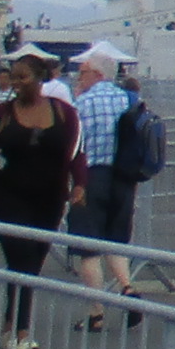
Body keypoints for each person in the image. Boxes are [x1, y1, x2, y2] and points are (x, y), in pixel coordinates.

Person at [0, 53, 77, 349]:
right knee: (21, 258)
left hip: (49, 196)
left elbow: (75, 153)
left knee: (32, 262)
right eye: (13, 77)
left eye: (22, 77)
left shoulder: (63, 112)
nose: (15, 83)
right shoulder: (0, 113)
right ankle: (21, 332)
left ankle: (10, 324)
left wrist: (80, 185)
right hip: (8, 195)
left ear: (39, 78)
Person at [65, 48, 144, 317]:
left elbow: (72, 144)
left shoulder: (82, 104)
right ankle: (127, 287)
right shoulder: (129, 100)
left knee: (89, 248)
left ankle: (96, 311)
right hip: (123, 177)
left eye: (83, 72)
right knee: (116, 239)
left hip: (90, 177)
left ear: (97, 74)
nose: (79, 77)